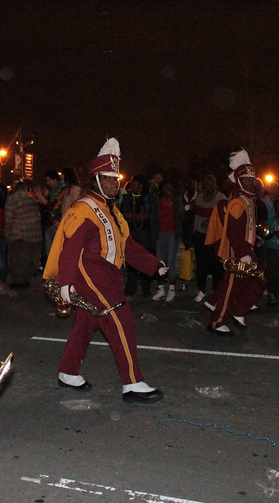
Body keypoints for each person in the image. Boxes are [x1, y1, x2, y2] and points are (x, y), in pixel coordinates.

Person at [44, 138, 168, 403]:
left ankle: (68, 371)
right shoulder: (84, 208)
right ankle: (132, 383)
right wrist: (65, 282)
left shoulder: (111, 211)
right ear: (97, 181)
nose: (115, 184)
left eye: (117, 179)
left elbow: (128, 245)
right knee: (119, 318)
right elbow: (70, 247)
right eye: (109, 179)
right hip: (90, 274)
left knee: (86, 322)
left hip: (107, 274)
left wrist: (153, 264)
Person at [207, 150, 264, 335]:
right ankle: (217, 321)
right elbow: (233, 230)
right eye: (246, 179)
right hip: (238, 252)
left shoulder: (248, 200)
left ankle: (237, 310)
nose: (250, 182)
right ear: (238, 181)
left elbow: (247, 228)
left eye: (251, 179)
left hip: (246, 249)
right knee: (231, 288)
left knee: (255, 280)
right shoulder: (238, 202)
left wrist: (256, 239)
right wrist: (243, 253)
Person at [190, 175, 226, 303]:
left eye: (211, 184)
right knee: (201, 264)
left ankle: (216, 291)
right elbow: (197, 211)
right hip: (200, 234)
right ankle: (201, 290)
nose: (209, 187)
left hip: (215, 235)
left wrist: (210, 221)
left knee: (216, 265)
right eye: (206, 184)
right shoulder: (200, 197)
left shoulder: (220, 198)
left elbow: (221, 215)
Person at [120, 175, 154, 298]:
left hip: (144, 232)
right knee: (131, 259)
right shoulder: (127, 198)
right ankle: (131, 287)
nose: (131, 186)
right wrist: (127, 215)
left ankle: (146, 288)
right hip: (131, 231)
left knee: (144, 259)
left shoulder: (148, 198)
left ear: (140, 186)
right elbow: (121, 213)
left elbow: (154, 215)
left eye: (134, 184)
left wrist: (143, 217)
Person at [151, 180, 184, 302]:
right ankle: (161, 289)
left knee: (170, 261)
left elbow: (182, 216)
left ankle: (171, 289)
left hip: (172, 234)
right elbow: (153, 219)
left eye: (170, 189)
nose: (168, 191)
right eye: (166, 188)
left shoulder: (176, 200)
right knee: (160, 262)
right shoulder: (157, 201)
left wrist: (175, 208)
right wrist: (153, 237)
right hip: (160, 233)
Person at [4, 181, 42, 288]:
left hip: (18, 234)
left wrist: (7, 232)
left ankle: (18, 282)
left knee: (17, 261)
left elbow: (8, 217)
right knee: (30, 259)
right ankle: (27, 280)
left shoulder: (12, 199)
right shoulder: (32, 199)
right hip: (33, 234)